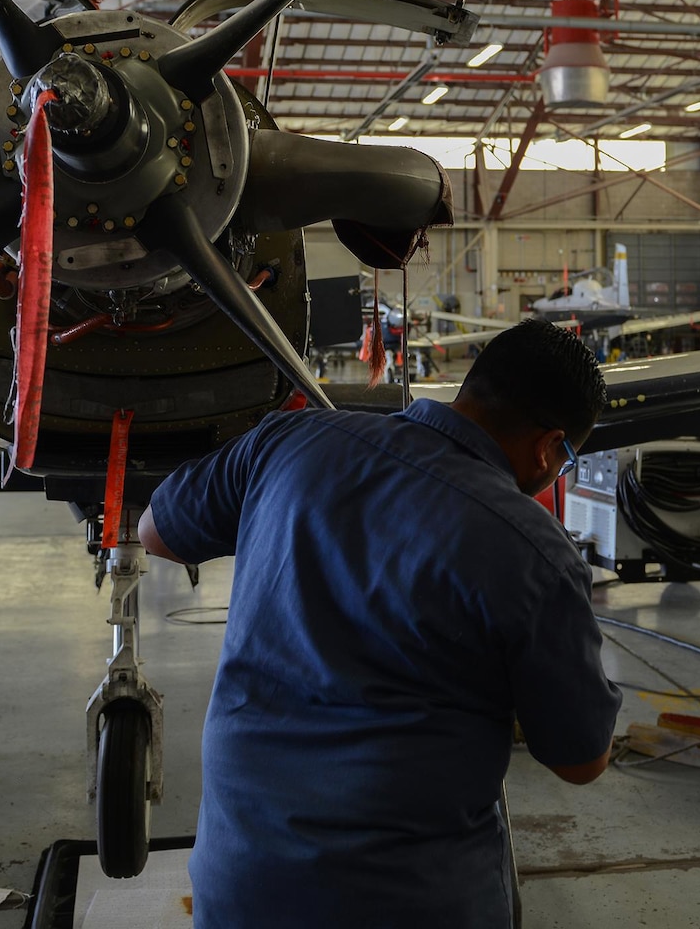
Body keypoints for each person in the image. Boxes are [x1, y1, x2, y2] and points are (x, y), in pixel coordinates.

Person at [141, 318, 623, 928]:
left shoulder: (288, 439)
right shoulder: (535, 552)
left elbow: (155, 533)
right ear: (550, 448)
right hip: (404, 901)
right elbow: (582, 760)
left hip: (239, 887)